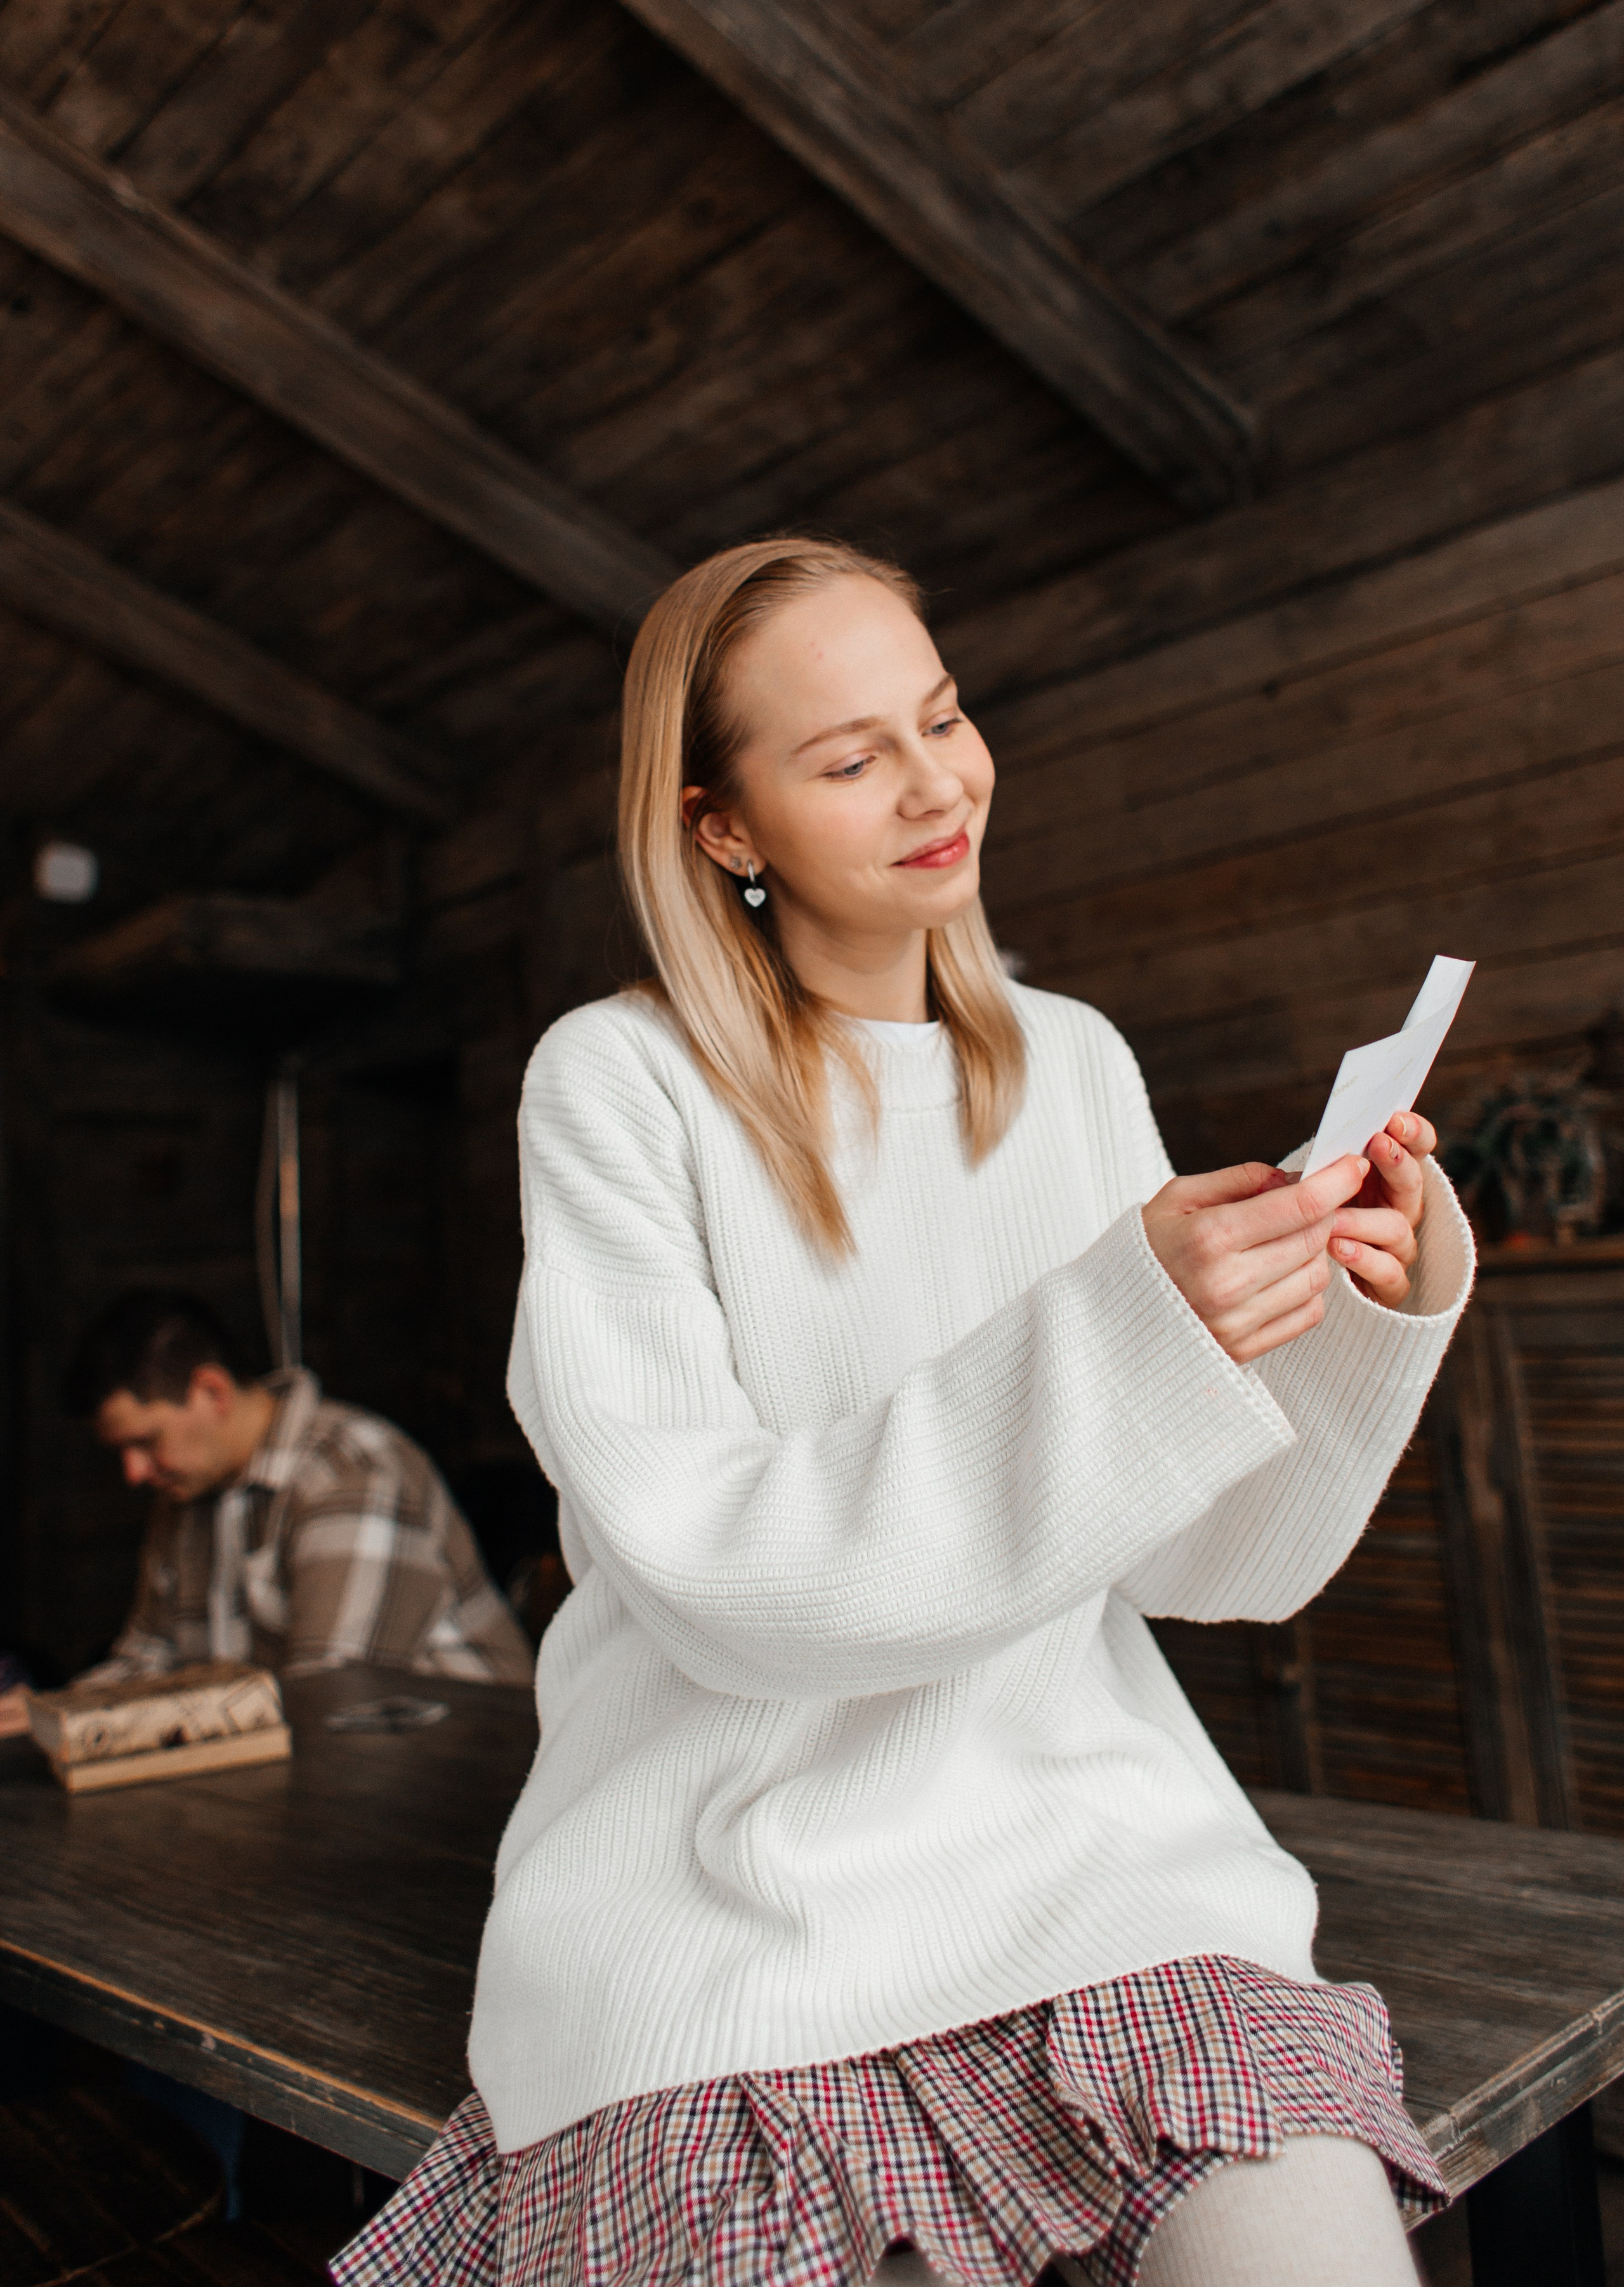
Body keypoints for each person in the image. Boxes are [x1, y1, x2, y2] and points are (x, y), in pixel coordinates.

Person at [336, 539, 1474, 2287]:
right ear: (724, 827)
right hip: (730, 1919)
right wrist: (1128, 1334)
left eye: (942, 716)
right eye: (853, 755)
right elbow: (721, 1575)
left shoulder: (1077, 1061)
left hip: (1104, 1881)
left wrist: (1363, 1326)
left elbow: (1206, 1562)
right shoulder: (620, 1082)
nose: (940, 782)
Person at [64, 1290, 532, 1685]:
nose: (133, 1472)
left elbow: (330, 1699)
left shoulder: (352, 1473)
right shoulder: (187, 1490)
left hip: (479, 1772)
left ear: (211, 1391)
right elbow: (149, 1657)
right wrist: (57, 1711)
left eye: (146, 1441)